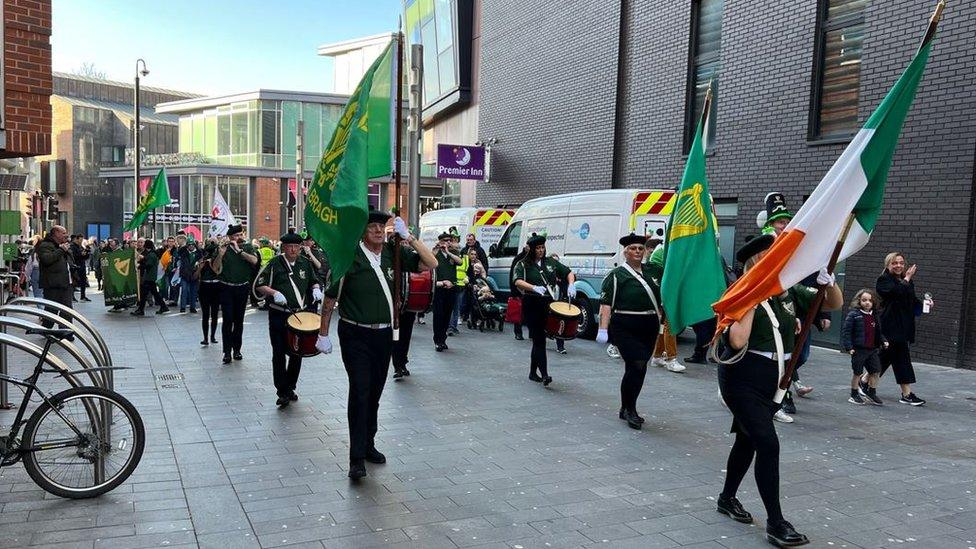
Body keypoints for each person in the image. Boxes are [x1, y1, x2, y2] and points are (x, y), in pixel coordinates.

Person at [714, 233, 842, 548]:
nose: (775, 258)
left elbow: (833, 303)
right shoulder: (740, 291)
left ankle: (726, 498)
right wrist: (751, 299)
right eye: (767, 254)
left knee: (747, 440)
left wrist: (830, 280)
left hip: (774, 380)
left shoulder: (784, 289)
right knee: (768, 444)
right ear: (754, 261)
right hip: (742, 378)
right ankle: (775, 522)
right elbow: (738, 341)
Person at [315, 211, 437, 480]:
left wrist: (409, 238)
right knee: (360, 390)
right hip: (355, 334)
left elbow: (431, 262)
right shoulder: (349, 257)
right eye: (372, 228)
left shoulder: (394, 253)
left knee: (375, 393)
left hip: (384, 335)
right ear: (362, 232)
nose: (379, 232)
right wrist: (323, 333)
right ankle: (356, 458)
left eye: (382, 227)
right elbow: (330, 299)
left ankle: (368, 443)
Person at [596, 233, 661, 429]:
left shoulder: (654, 271)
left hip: (649, 324)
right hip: (625, 324)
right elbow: (606, 304)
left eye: (641, 248)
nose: (637, 252)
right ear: (625, 252)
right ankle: (631, 410)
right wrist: (603, 329)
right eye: (633, 249)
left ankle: (625, 407)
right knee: (637, 365)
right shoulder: (616, 276)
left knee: (637, 368)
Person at [255, 231, 323, 407]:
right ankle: (281, 390)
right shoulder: (275, 263)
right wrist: (274, 292)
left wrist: (316, 289)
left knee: (297, 352)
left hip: (299, 315)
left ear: (300, 247)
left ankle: (290, 386)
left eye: (296, 246)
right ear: (283, 247)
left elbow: (313, 281)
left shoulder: (305, 263)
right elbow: (260, 285)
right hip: (279, 313)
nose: (293, 249)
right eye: (290, 246)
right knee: (278, 353)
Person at [513, 234, 575, 386]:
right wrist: (533, 287)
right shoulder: (522, 264)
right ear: (531, 249)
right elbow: (517, 281)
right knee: (539, 339)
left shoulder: (551, 262)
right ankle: (545, 374)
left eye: (542, 247)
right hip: (532, 302)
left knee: (539, 340)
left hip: (549, 302)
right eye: (537, 248)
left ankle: (533, 372)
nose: (540, 250)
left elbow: (568, 272)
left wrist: (571, 284)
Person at [873, 252, 927, 406]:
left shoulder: (906, 281)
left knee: (887, 357)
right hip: (890, 325)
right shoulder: (883, 280)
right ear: (888, 265)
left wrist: (924, 305)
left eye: (901, 263)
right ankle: (906, 393)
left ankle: (865, 381)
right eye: (894, 263)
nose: (898, 266)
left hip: (903, 326)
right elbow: (894, 294)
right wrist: (907, 278)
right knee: (901, 358)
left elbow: (911, 299)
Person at [212, 225, 259, 364]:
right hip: (226, 287)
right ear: (230, 237)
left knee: (238, 321)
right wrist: (220, 255)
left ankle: (237, 350)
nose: (239, 237)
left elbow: (255, 261)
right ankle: (227, 352)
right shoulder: (223, 248)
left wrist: (239, 252)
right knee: (227, 320)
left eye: (240, 234)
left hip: (242, 288)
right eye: (236, 235)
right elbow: (215, 268)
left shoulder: (247, 247)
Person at [841, 289, 887, 405]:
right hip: (859, 349)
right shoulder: (854, 315)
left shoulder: (874, 315)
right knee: (857, 372)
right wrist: (849, 347)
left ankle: (872, 392)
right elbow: (846, 332)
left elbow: (878, 332)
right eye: (864, 300)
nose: (867, 303)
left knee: (876, 371)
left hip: (872, 349)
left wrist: (883, 341)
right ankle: (854, 393)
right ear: (859, 301)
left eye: (870, 301)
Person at [647, 240, 686, 373]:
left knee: (664, 326)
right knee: (670, 323)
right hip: (665, 293)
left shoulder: (663, 251)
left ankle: (658, 356)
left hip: (664, 293)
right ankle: (671, 358)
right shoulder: (667, 251)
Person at [36, 226, 73, 323]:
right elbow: (47, 259)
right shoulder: (45, 245)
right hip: (53, 284)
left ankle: (66, 332)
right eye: (63, 233)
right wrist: (61, 250)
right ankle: (46, 330)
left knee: (67, 309)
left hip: (65, 283)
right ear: (56, 233)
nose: (66, 235)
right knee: (51, 310)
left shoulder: (62, 245)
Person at [432, 232, 462, 351]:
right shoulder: (435, 253)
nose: (447, 242)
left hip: (451, 289)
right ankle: (437, 340)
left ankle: (443, 339)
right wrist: (435, 252)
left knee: (447, 315)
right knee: (438, 315)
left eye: (449, 240)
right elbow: (429, 263)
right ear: (439, 242)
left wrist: (448, 252)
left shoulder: (453, 253)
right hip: (439, 289)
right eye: (444, 240)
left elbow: (460, 262)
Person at [131, 240, 169, 316]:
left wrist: (139, 265)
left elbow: (148, 264)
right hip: (150, 277)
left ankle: (141, 310)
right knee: (153, 293)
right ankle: (163, 306)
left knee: (145, 293)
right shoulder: (152, 253)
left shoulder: (151, 254)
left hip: (149, 277)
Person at [196, 240, 221, 346]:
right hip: (204, 286)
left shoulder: (218, 260)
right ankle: (205, 337)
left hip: (215, 286)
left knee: (215, 314)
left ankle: (213, 336)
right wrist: (200, 268)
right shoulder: (202, 261)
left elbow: (218, 272)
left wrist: (212, 263)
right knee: (205, 314)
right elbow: (195, 276)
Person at [448, 233, 468, 335]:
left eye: (457, 242)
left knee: (456, 307)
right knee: (452, 307)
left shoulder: (464, 257)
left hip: (461, 286)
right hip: (451, 284)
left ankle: (453, 326)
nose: (457, 245)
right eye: (454, 241)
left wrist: (468, 279)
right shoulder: (449, 256)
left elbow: (468, 270)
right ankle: (450, 327)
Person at [507, 246, 527, 341]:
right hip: (519, 290)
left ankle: (532, 333)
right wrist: (514, 291)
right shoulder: (519, 259)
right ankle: (518, 332)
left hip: (532, 290)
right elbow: (513, 275)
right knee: (518, 312)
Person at [178, 240, 201, 313]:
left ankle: (192, 307)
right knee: (184, 291)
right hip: (185, 275)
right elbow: (179, 251)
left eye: (192, 244)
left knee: (193, 292)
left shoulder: (198, 253)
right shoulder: (184, 253)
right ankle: (183, 307)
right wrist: (185, 244)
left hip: (194, 275)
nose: (191, 246)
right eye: (189, 245)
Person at [69, 234, 92, 302]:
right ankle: (72, 297)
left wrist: (87, 251)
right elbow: (73, 256)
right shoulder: (72, 246)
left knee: (83, 281)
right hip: (75, 266)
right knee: (74, 282)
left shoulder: (80, 246)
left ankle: (83, 296)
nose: (81, 241)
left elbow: (84, 257)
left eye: (82, 240)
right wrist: (81, 254)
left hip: (82, 265)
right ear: (76, 239)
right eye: (80, 240)